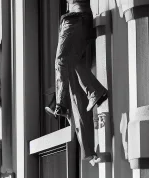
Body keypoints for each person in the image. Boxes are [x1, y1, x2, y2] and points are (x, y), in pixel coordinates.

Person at [45, 0, 108, 166]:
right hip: (78, 20)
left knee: (62, 62)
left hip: (76, 19)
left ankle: (61, 106)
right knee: (75, 76)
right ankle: (88, 149)